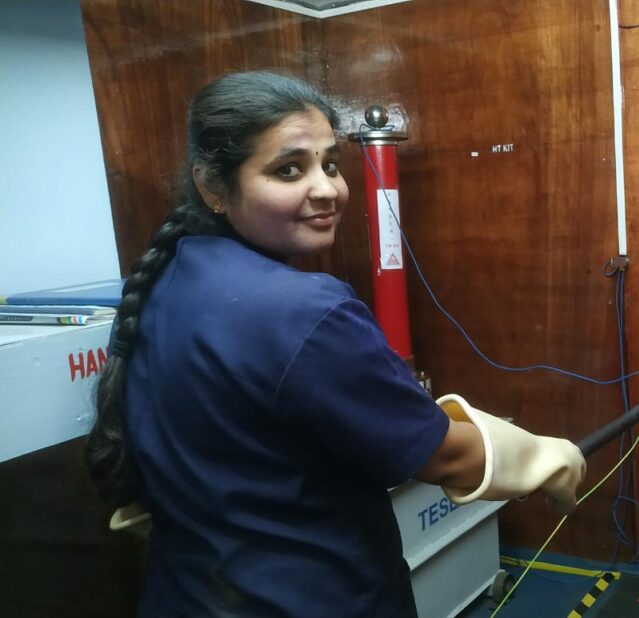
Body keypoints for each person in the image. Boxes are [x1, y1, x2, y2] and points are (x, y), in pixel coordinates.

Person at [85, 71, 586, 618]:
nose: (326, 189)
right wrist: (543, 457)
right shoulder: (301, 310)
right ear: (212, 188)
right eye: (288, 169)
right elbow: (443, 456)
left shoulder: (161, 283)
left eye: (329, 164)